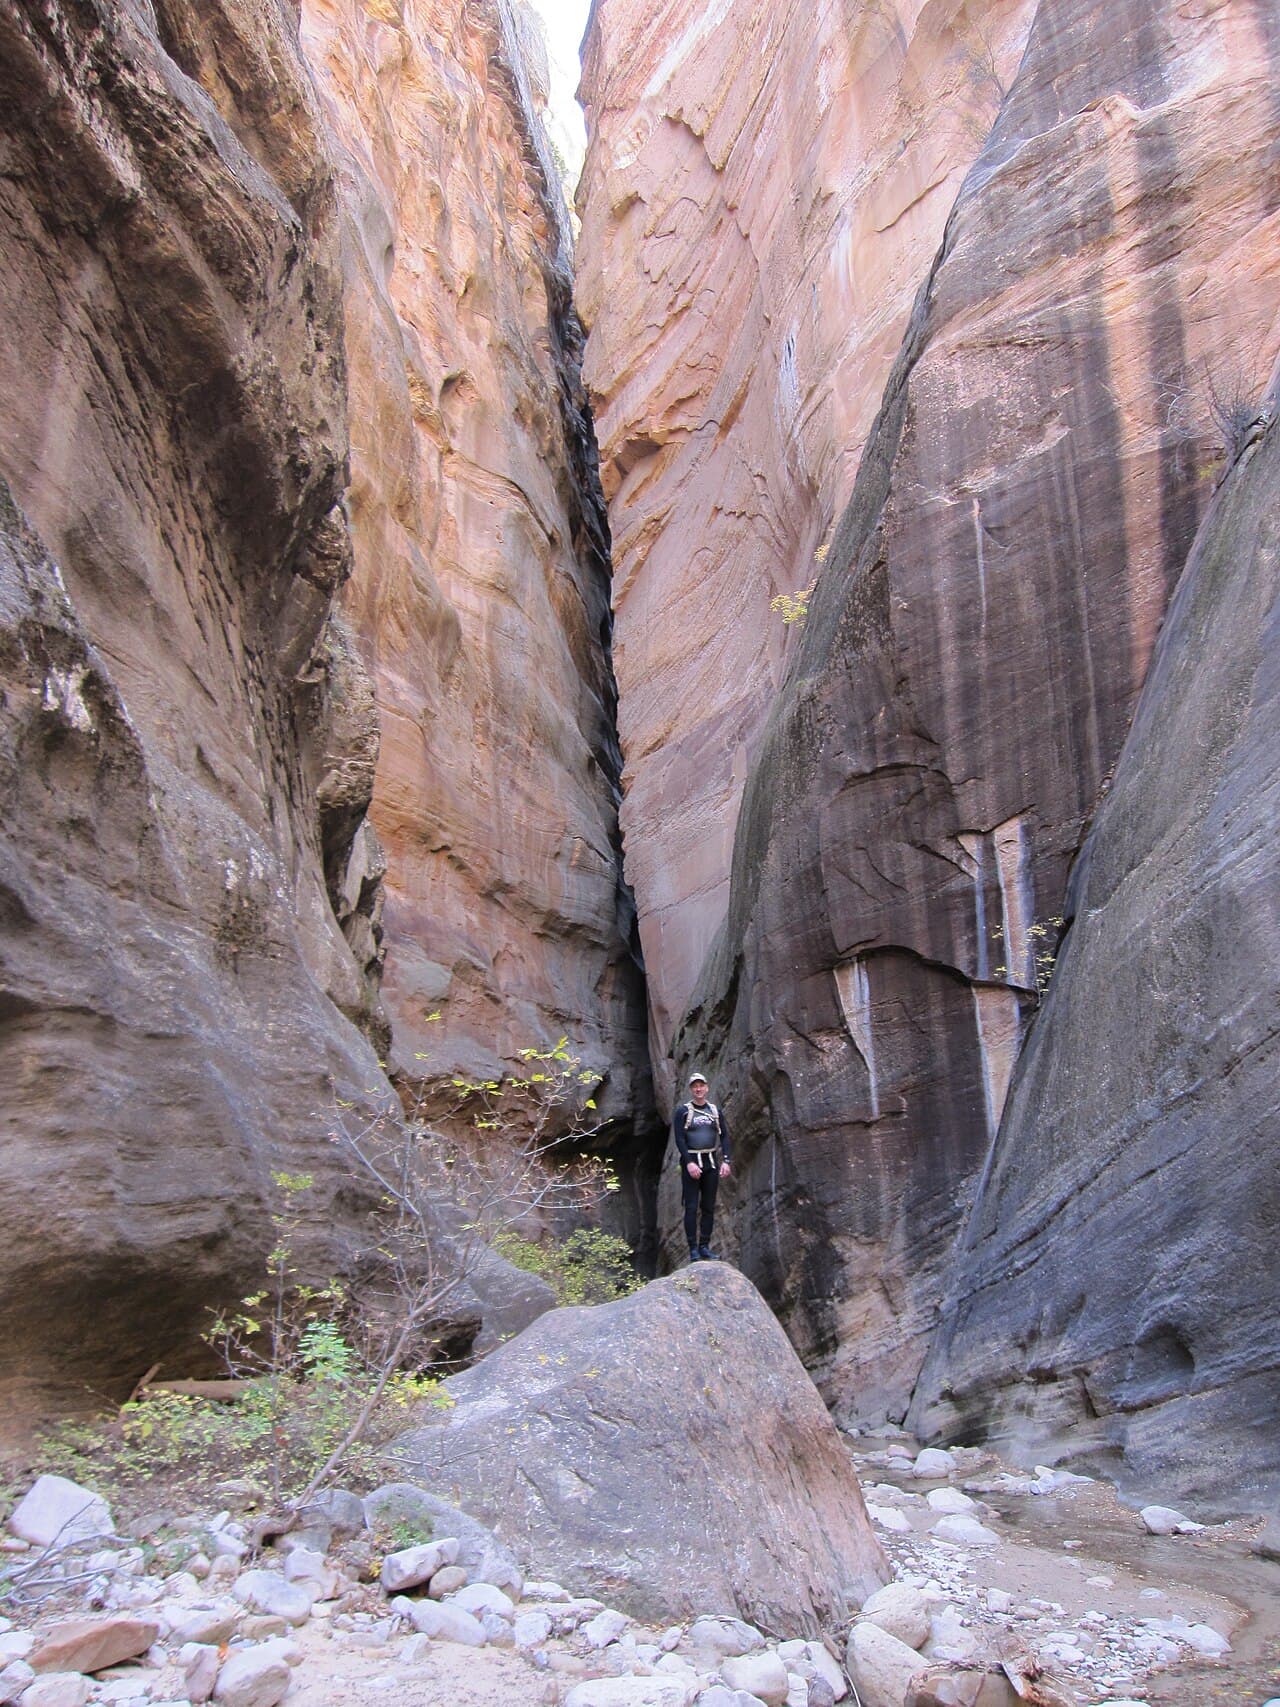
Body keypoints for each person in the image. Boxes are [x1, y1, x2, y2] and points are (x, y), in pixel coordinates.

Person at [673, 1071, 731, 1262]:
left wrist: (727, 1160)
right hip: (692, 1162)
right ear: (691, 1089)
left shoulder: (714, 1111)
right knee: (691, 1207)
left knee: (708, 1206)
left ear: (706, 1087)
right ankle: (693, 1250)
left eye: (701, 1085)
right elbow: (680, 1139)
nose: (698, 1089)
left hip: (711, 1162)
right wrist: (689, 1162)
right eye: (694, 1086)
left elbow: (724, 1136)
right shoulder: (683, 1112)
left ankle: (704, 1246)